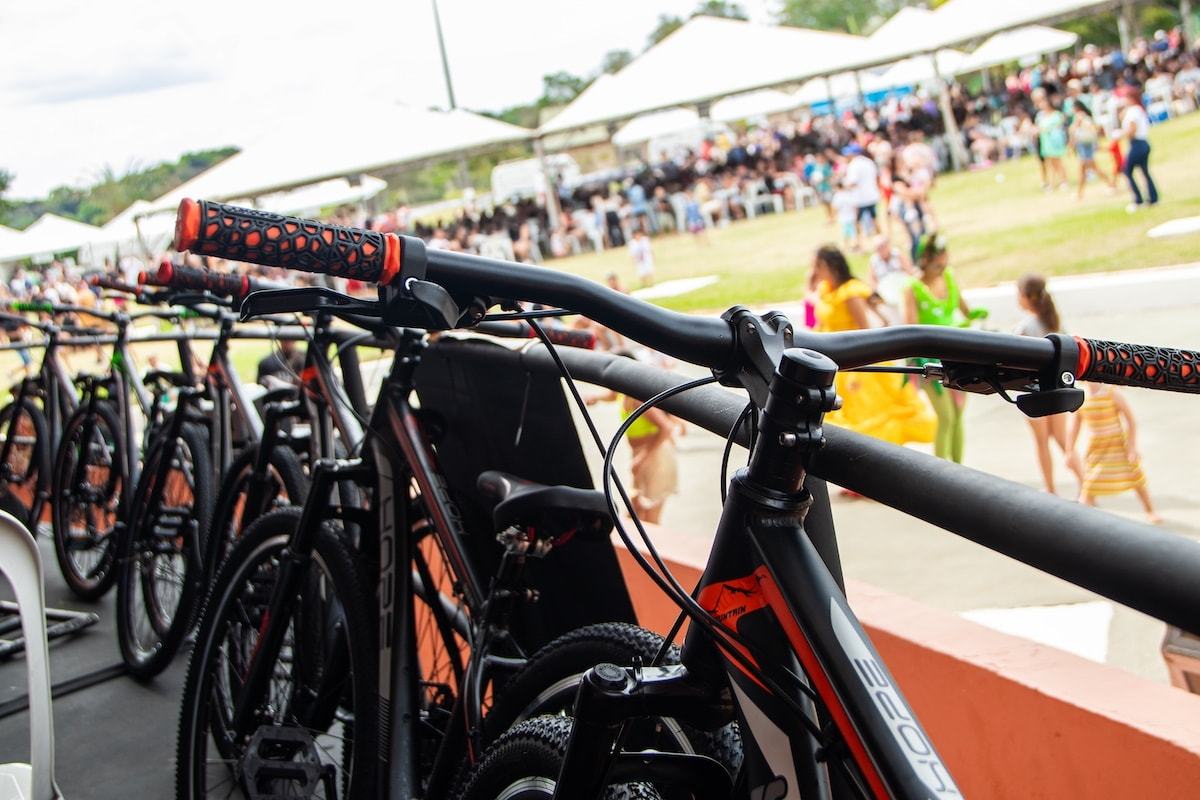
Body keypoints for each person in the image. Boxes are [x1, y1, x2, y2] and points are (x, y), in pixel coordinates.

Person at [810, 245, 935, 463]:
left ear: (828, 266)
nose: (814, 271)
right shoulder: (825, 290)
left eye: (816, 266)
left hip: (852, 363)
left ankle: (870, 462)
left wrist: (857, 369)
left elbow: (863, 329)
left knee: (865, 416)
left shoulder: (850, 292)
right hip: (832, 360)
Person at [903, 233, 986, 463]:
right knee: (946, 416)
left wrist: (975, 317)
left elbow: (965, 310)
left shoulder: (948, 277)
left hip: (957, 354)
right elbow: (911, 327)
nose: (941, 268)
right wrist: (919, 356)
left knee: (958, 415)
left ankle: (959, 468)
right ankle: (941, 472)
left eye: (944, 263)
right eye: (936, 265)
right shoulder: (913, 288)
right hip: (929, 360)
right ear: (924, 261)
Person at [1014, 275, 1084, 494]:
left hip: (1034, 390)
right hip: (1056, 388)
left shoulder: (1025, 327)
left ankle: (1051, 489)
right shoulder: (1056, 321)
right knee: (1062, 439)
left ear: (1026, 297)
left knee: (1042, 442)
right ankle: (1085, 482)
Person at [1067, 382, 1160, 523]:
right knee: (1090, 482)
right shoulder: (1081, 396)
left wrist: (1131, 447)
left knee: (1135, 477)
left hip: (1117, 444)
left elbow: (1131, 421)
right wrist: (1069, 451)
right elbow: (1075, 426)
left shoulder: (1111, 393)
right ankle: (1081, 515)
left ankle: (1150, 511)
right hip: (1096, 448)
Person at [1117, 86, 1159, 211]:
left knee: (1127, 170)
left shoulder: (1133, 111)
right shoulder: (1137, 110)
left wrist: (1120, 134)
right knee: (1144, 171)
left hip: (1137, 143)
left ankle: (1138, 200)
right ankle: (1153, 198)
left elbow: (1132, 130)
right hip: (1143, 143)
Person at [1068, 102, 1115, 199]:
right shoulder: (1083, 118)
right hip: (1083, 146)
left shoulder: (1081, 118)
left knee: (1088, 169)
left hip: (1085, 146)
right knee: (1089, 169)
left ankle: (1111, 184)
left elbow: (1075, 131)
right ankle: (1110, 184)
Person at [842, 143, 881, 243]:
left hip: (860, 198)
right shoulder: (869, 162)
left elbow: (853, 182)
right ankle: (880, 238)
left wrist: (844, 186)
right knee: (874, 219)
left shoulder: (854, 165)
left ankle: (858, 242)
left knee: (857, 221)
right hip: (871, 195)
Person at [1035, 90, 1069, 190]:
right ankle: (1051, 183)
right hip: (1045, 142)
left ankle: (1063, 181)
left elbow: (1058, 126)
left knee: (1057, 162)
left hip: (1054, 141)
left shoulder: (1057, 115)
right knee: (1049, 164)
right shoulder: (1040, 116)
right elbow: (1038, 127)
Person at [831, 182, 858, 251]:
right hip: (851, 216)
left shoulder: (837, 196)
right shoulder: (848, 194)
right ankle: (853, 245)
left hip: (843, 217)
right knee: (853, 232)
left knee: (846, 233)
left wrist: (833, 217)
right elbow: (854, 206)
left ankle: (847, 246)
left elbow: (835, 207)